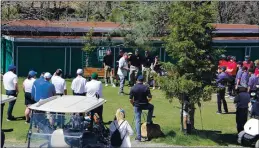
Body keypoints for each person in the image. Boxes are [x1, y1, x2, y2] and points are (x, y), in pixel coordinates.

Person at [129, 75, 154, 142]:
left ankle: (138, 137)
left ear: (137, 80)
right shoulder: (146, 87)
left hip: (137, 105)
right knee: (151, 107)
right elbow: (150, 97)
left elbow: (130, 99)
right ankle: (148, 120)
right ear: (143, 80)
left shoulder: (133, 88)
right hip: (145, 105)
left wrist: (133, 104)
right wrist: (147, 102)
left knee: (137, 120)